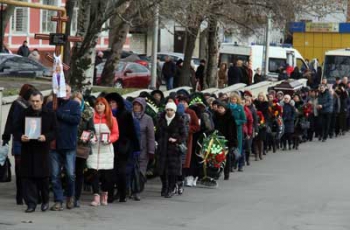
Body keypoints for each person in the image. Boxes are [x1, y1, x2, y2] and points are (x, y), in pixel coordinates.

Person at [19, 91, 57, 213]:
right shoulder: (24, 113)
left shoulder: (50, 114)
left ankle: (45, 200)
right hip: (28, 150)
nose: (35, 104)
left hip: (42, 150)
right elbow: (16, 129)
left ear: (42, 101)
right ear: (30, 101)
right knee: (28, 178)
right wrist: (21, 136)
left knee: (43, 179)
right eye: (33, 101)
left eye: (37, 101)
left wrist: (46, 137)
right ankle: (31, 203)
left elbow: (55, 131)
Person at [47, 84, 81, 211]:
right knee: (55, 175)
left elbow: (76, 120)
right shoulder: (51, 105)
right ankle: (58, 200)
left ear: (71, 92)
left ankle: (70, 196)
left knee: (70, 174)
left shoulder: (74, 105)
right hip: (54, 145)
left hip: (68, 145)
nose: (66, 93)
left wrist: (59, 114)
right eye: (63, 90)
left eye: (68, 90)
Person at [2, 84, 36, 205]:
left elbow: (9, 121)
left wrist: (6, 136)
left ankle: (22, 195)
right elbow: (12, 121)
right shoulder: (20, 104)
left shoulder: (24, 104)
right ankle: (21, 195)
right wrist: (6, 136)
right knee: (21, 168)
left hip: (23, 138)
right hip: (20, 139)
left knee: (23, 169)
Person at [105, 93, 139, 203]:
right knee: (110, 173)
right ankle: (110, 195)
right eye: (109, 103)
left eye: (113, 103)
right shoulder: (105, 115)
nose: (111, 105)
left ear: (118, 103)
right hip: (108, 146)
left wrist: (136, 148)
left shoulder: (125, 114)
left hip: (123, 147)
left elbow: (132, 132)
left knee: (122, 172)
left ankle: (122, 193)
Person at [87, 97, 119, 206]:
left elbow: (116, 134)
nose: (99, 106)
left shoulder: (112, 119)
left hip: (106, 150)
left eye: (101, 104)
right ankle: (96, 196)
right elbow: (88, 131)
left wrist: (109, 140)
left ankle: (104, 194)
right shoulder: (91, 118)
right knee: (94, 174)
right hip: (94, 150)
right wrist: (90, 138)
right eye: (97, 104)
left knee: (106, 176)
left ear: (106, 106)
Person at [156, 102, 185, 198]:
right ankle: (165, 186)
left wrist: (176, 139)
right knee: (162, 170)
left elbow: (184, 135)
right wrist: (157, 142)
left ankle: (171, 188)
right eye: (167, 110)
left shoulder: (179, 120)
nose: (169, 112)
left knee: (173, 171)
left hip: (173, 149)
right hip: (162, 148)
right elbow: (157, 134)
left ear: (174, 111)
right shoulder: (161, 120)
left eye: (171, 110)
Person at [72, 92, 95, 208]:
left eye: (79, 102)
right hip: (69, 146)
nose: (76, 104)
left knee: (79, 173)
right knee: (69, 172)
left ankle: (76, 197)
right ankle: (69, 195)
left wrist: (84, 138)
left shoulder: (87, 113)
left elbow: (91, 130)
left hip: (81, 146)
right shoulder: (68, 111)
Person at [131, 97, 155, 200]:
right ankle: (130, 190)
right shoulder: (129, 117)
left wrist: (151, 150)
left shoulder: (148, 119)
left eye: (139, 105)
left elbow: (151, 136)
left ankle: (137, 191)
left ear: (142, 107)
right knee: (131, 170)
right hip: (131, 148)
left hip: (143, 149)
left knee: (141, 171)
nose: (136, 107)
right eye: (135, 105)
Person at [213, 101, 238, 180]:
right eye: (219, 108)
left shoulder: (230, 117)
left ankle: (226, 173)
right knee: (216, 157)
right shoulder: (215, 116)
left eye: (221, 108)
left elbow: (234, 130)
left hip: (227, 140)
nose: (220, 109)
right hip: (217, 139)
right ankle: (217, 172)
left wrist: (233, 141)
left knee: (226, 157)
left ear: (225, 109)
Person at [228, 93, 247, 172]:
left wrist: (236, 122)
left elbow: (244, 120)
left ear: (237, 100)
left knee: (239, 148)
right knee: (230, 148)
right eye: (232, 99)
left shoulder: (240, 108)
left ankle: (240, 165)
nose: (233, 101)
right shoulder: (227, 107)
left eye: (235, 99)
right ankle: (231, 165)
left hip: (238, 131)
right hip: (229, 130)